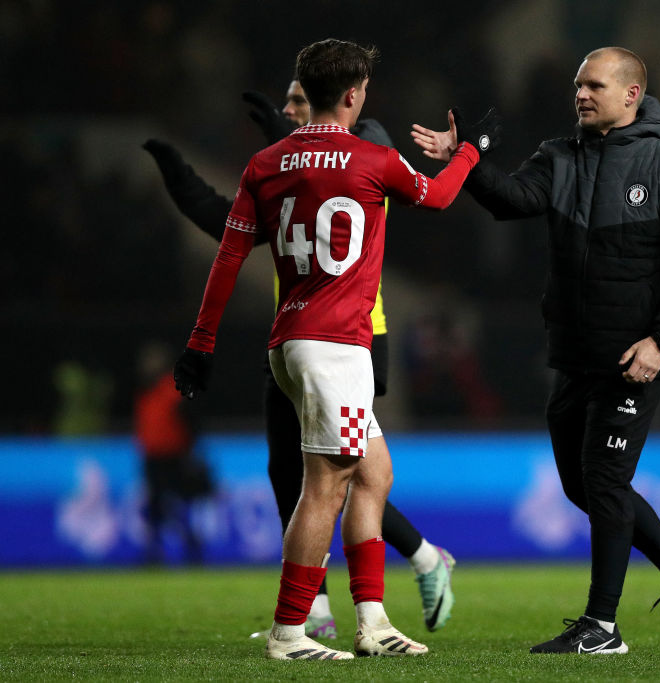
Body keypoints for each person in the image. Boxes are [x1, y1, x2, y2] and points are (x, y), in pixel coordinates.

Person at [172, 38, 499, 661]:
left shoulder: (265, 163)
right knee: (325, 485)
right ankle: (291, 631)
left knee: (373, 474)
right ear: (353, 96)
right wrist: (471, 151)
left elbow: (229, 255)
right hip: (337, 344)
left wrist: (201, 343)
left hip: (291, 341)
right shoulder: (372, 159)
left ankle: (372, 622)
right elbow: (438, 195)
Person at [411, 46, 660, 653]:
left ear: (632, 95)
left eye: (595, 86)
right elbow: (511, 201)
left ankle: (602, 627)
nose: (581, 95)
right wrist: (467, 159)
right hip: (574, 356)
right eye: (578, 86)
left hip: (636, 359)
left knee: (605, 481)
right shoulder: (558, 157)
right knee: (584, 488)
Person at [133, 341, 209, 565]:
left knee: (179, 505)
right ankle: (153, 553)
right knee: (155, 507)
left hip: (175, 457)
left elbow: (191, 421)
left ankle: (192, 549)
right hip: (153, 457)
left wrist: (191, 451)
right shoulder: (145, 391)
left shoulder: (174, 388)